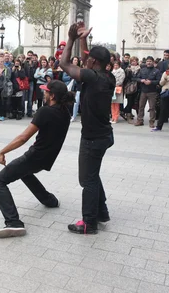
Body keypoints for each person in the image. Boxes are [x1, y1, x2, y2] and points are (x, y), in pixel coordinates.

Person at [0, 80, 73, 238]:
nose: (44, 93)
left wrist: (3, 151)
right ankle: (50, 200)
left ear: (52, 96)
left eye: (46, 91)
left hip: (34, 156)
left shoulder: (45, 112)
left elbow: (23, 137)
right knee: (25, 172)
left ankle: (14, 223)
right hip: (47, 159)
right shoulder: (65, 112)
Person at [60, 22, 115, 235]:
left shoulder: (92, 76)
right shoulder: (107, 76)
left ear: (93, 61)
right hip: (103, 135)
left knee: (87, 179)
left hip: (93, 138)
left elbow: (65, 64)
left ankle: (89, 223)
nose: (85, 60)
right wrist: (83, 39)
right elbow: (85, 62)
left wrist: (71, 38)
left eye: (88, 58)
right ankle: (102, 212)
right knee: (92, 175)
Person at [134, 56, 161, 127]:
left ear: (153, 62)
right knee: (141, 106)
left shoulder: (157, 71)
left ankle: (151, 122)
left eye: (150, 61)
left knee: (152, 108)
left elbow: (159, 81)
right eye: (147, 61)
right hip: (143, 91)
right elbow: (136, 78)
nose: (149, 63)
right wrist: (141, 80)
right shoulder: (142, 70)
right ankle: (140, 120)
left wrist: (151, 82)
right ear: (146, 62)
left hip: (152, 91)